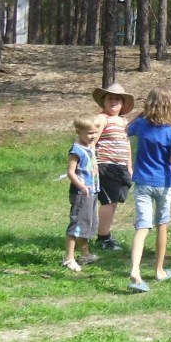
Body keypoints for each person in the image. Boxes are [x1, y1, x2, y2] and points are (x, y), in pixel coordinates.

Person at [126, 88, 171, 293]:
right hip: (164, 184)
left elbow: (126, 129)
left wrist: (140, 114)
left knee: (142, 227)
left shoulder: (141, 126)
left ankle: (135, 269)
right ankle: (159, 270)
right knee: (162, 225)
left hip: (142, 183)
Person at [92, 82, 135, 252]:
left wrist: (129, 166)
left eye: (118, 99)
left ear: (123, 103)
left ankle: (105, 234)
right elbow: (91, 141)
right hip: (106, 164)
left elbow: (127, 144)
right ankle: (103, 238)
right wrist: (93, 163)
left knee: (114, 201)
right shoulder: (101, 119)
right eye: (110, 98)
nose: (114, 101)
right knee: (109, 202)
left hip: (120, 166)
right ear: (104, 101)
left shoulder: (123, 121)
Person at [62, 115, 102, 273]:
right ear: (78, 132)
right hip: (81, 193)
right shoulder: (76, 150)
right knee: (77, 224)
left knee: (87, 223)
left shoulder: (89, 146)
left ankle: (84, 254)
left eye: (95, 133)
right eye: (89, 133)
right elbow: (71, 172)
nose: (93, 136)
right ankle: (69, 258)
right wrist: (82, 186)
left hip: (92, 191)